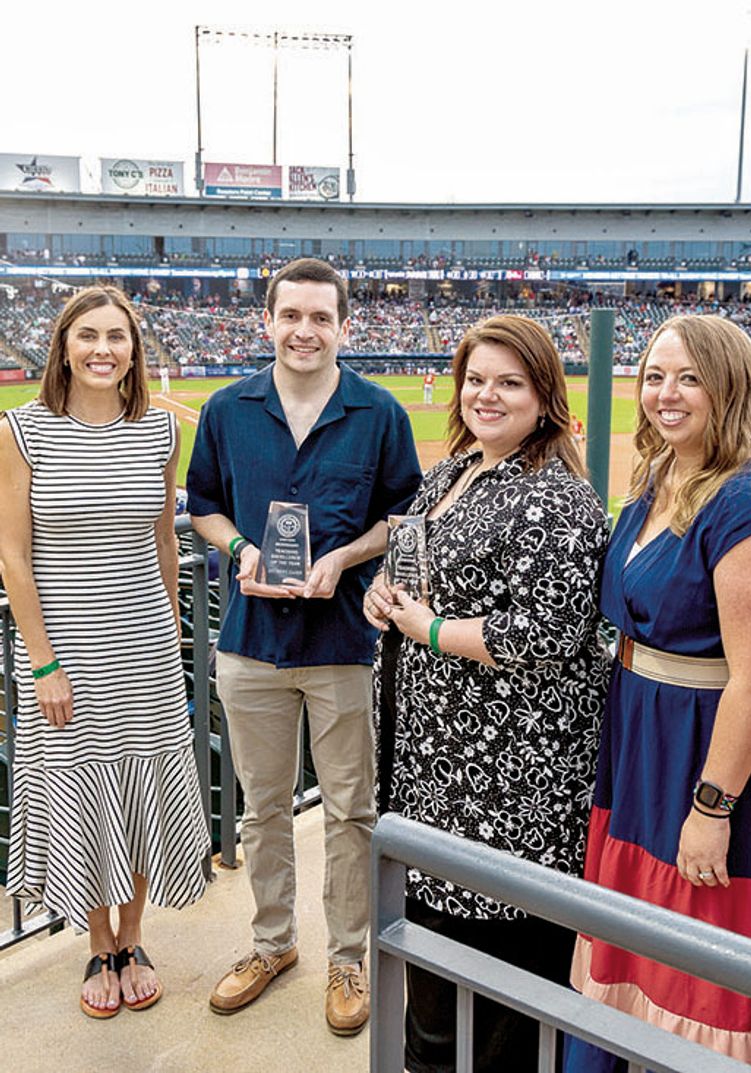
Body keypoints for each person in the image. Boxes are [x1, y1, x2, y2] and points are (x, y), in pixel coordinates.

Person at [563, 315, 751, 1073]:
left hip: (714, 749)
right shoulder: (661, 476)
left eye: (689, 378)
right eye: (653, 376)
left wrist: (712, 809)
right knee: (636, 929)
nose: (665, 395)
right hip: (645, 729)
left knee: (704, 945)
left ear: (728, 386)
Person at [363, 314, 610, 1073]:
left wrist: (430, 629)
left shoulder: (557, 496)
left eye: (509, 382)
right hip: (438, 778)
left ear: (543, 395)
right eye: (476, 379)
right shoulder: (453, 469)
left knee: (501, 995)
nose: (487, 395)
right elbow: (416, 566)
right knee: (435, 983)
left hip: (508, 791)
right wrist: (384, 595)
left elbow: (547, 633)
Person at [186, 258, 421, 1035]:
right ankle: (271, 941)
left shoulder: (380, 412)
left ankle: (347, 954)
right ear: (268, 321)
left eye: (321, 318)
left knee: (352, 808)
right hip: (250, 644)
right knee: (262, 808)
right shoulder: (228, 408)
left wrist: (345, 558)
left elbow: (401, 516)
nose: (305, 331)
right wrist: (242, 551)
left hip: (341, 640)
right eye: (291, 315)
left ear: (345, 326)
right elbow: (207, 509)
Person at [0, 285, 210, 1018]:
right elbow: (14, 556)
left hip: (145, 647)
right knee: (84, 791)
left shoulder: (157, 431)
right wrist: (43, 660)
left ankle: (133, 936)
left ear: (133, 350)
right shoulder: (21, 430)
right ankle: (98, 942)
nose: (102, 349)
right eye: (87, 335)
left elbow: (161, 541)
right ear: (62, 345)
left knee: (144, 789)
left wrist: (174, 635)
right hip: (68, 654)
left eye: (116, 337)